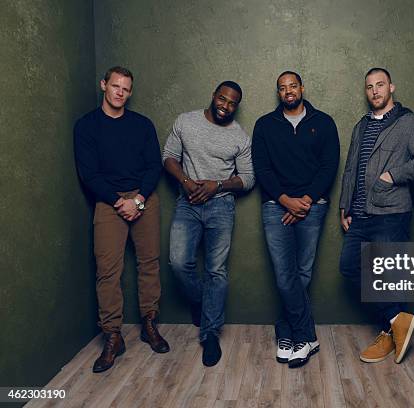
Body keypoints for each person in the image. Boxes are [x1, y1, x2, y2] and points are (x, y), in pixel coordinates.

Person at [74, 66, 169, 373]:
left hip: (144, 198)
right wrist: (119, 202)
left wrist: (138, 200)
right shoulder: (86, 126)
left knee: (149, 263)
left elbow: (154, 166)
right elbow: (89, 174)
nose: (120, 92)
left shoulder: (142, 125)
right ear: (104, 85)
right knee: (107, 270)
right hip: (108, 202)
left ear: (130, 92)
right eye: (115, 86)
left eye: (125, 89)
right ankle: (113, 335)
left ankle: (149, 324)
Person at [339, 67, 414, 364]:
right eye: (369, 87)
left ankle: (390, 333)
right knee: (350, 268)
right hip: (360, 213)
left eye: (380, 85)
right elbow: (352, 168)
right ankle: (398, 321)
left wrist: (392, 176)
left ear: (392, 87)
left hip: (391, 211)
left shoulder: (410, 122)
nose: (375, 91)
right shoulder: (360, 126)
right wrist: (345, 205)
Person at [163, 81, 254, 367]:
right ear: (213, 95)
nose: (225, 106)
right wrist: (187, 183)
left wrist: (218, 185)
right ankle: (204, 304)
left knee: (216, 270)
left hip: (221, 206)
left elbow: (249, 178)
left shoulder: (240, 136)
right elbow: (168, 158)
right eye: (222, 99)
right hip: (187, 203)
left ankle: (210, 333)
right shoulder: (186, 122)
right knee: (178, 263)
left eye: (232, 103)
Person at [252, 71, 340, 368]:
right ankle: (306, 335)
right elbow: (262, 169)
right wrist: (285, 200)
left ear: (302, 88)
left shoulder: (323, 122)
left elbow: (329, 166)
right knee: (284, 274)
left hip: (313, 205)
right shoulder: (265, 124)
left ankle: (288, 333)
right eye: (282, 88)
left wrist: (306, 200)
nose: (288, 91)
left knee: (302, 273)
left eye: (292, 86)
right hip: (275, 205)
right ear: (278, 93)